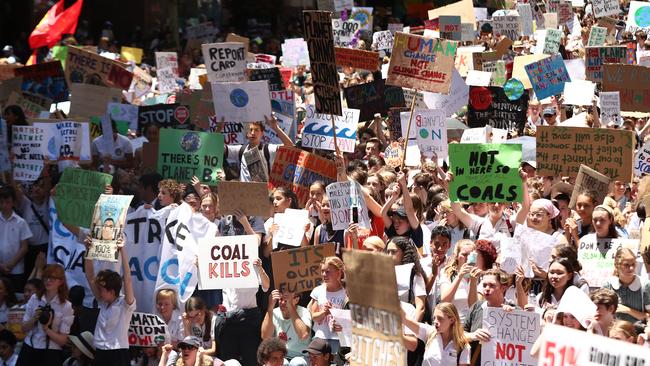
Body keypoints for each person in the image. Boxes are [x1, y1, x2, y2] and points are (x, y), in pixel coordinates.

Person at [83, 235, 136, 366]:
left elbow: (128, 278)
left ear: (112, 291)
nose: (98, 291)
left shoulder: (126, 304)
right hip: (100, 353)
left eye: (101, 289)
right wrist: (88, 250)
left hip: (118, 354)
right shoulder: (102, 302)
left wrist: (122, 250)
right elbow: (90, 276)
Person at [17, 264, 74, 365]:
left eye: (53, 278)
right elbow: (23, 328)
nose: (48, 281)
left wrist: (47, 329)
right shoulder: (34, 299)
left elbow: (63, 341)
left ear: (60, 281)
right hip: (29, 347)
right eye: (46, 277)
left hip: (51, 353)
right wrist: (34, 319)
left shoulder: (66, 306)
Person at [224, 116, 294, 182]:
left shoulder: (268, 149)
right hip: (244, 193)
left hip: (263, 193)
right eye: (250, 130)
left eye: (256, 130)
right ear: (247, 133)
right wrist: (219, 128)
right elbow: (219, 148)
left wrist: (275, 127)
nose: (253, 133)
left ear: (262, 133)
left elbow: (290, 146)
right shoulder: (241, 150)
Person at [464, 269, 513, 363]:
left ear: (503, 287)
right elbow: (460, 335)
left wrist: (514, 315)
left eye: (492, 285)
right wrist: (472, 335)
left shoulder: (514, 310)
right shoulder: (476, 307)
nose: (486, 288)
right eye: (484, 285)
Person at [402, 302, 470, 366]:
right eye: (434, 318)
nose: (435, 322)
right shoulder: (429, 332)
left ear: (452, 320)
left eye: (440, 318)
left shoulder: (463, 346)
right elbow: (405, 319)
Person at [261, 290, 311, 365]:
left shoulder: (304, 312)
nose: (282, 303)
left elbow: (303, 335)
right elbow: (265, 337)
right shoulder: (274, 312)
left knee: (297, 363)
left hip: (301, 356)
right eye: (280, 299)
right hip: (280, 356)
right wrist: (270, 307)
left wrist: (290, 305)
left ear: (296, 300)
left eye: (286, 300)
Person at [309, 257, 346, 354]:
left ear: (338, 272)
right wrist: (324, 312)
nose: (324, 274)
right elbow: (314, 317)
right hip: (321, 337)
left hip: (341, 339)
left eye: (328, 272)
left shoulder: (347, 293)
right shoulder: (317, 291)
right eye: (322, 271)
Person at [386, 236, 427, 322]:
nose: (389, 255)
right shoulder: (383, 273)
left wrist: (411, 330)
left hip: (407, 324)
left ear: (404, 253)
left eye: (393, 252)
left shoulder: (414, 275)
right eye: (388, 252)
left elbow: (421, 307)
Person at [603, 248, 650, 323]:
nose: (631, 268)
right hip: (612, 332)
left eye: (633, 264)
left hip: (637, 332)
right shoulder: (608, 285)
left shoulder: (645, 285)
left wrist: (627, 310)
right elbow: (602, 313)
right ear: (616, 265)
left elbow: (649, 317)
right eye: (626, 265)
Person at [0, 186, 32, 291]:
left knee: (16, 296)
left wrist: (11, 263)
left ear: (13, 203)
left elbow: (24, 247)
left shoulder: (21, 222)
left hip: (17, 269)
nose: (4, 205)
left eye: (7, 202)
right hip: (0, 267)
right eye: (1, 202)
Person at [439, 240, 478, 323]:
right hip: (452, 324)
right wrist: (460, 276)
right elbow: (445, 300)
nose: (468, 258)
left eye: (471, 255)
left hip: (470, 324)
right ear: (457, 256)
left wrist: (473, 281)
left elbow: (473, 306)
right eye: (464, 254)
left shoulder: (478, 275)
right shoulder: (447, 273)